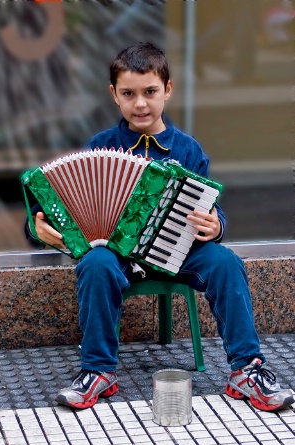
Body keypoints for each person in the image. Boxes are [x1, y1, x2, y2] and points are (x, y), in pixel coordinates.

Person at [25, 42, 294, 412]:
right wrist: (35, 228)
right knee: (94, 263)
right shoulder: (100, 146)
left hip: (179, 251)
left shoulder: (188, 150)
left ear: (167, 90)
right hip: (117, 255)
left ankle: (246, 370)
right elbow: (55, 207)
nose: (140, 104)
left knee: (226, 262)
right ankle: (98, 371)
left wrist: (216, 227)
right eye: (129, 94)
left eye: (150, 92)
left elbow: (211, 212)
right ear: (114, 96)